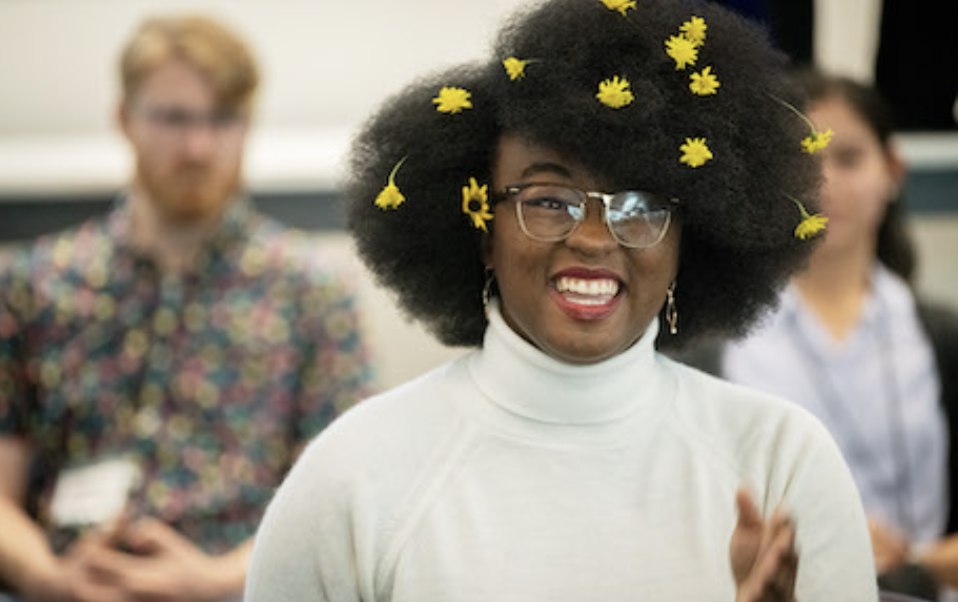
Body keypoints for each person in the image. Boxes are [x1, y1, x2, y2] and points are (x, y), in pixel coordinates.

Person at [246, 0, 877, 599]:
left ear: (692, 240)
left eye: (639, 206)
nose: (594, 238)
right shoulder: (355, 475)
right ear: (482, 231)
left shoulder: (780, 460)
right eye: (549, 200)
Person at [0, 14, 373, 602]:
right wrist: (48, 578)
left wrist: (217, 581)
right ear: (124, 118)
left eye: (222, 120)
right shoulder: (35, 284)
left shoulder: (310, 294)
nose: (198, 147)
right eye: (173, 118)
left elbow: (338, 504)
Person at [680, 69, 958, 599]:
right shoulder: (710, 343)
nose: (823, 182)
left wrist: (917, 558)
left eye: (848, 158)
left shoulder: (940, 336)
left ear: (893, 170)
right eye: (798, 161)